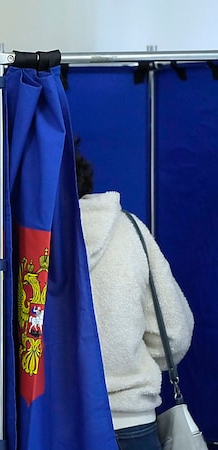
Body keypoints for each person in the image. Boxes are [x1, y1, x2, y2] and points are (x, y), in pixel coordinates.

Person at [75, 153, 195, 450]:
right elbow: (174, 333)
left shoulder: (21, 239)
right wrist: (128, 362)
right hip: (132, 418)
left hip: (49, 419)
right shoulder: (130, 230)